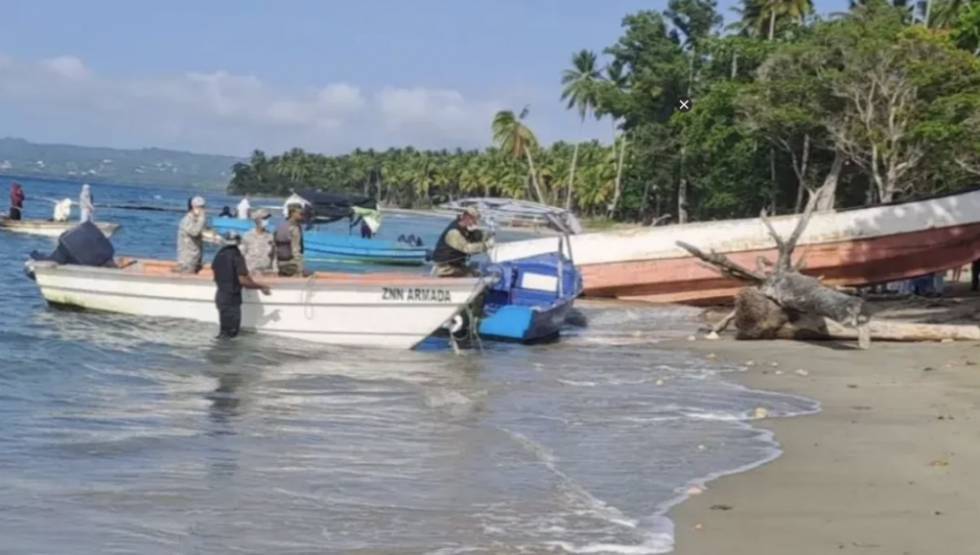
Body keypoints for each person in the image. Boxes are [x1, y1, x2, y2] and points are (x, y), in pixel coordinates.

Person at [211, 232, 271, 339]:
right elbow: (242, 280)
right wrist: (261, 286)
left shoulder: (219, 255)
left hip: (220, 295)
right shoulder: (237, 257)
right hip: (232, 298)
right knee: (231, 334)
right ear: (238, 242)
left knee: (223, 333)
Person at [431, 207, 494, 277]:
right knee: (471, 276)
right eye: (474, 220)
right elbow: (467, 248)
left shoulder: (465, 229)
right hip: (445, 268)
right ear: (466, 217)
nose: (475, 223)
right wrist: (485, 246)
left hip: (456, 266)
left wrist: (488, 235)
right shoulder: (454, 232)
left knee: (479, 273)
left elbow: (476, 237)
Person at [175, 196, 208, 274]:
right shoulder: (186, 220)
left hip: (196, 260)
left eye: (203, 207)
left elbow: (202, 233)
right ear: (193, 207)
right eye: (199, 207)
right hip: (187, 261)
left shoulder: (198, 220)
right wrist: (202, 219)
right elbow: (195, 232)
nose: (202, 210)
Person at [240, 209, 275, 274]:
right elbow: (241, 255)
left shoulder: (270, 237)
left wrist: (275, 270)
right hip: (250, 272)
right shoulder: (247, 236)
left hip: (266, 273)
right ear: (257, 220)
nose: (266, 220)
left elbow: (274, 256)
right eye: (264, 218)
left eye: (267, 218)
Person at [275, 204, 306, 277]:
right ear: (293, 213)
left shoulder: (280, 225)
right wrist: (300, 269)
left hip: (278, 263)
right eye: (301, 213)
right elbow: (296, 250)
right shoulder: (294, 228)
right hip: (290, 264)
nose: (302, 216)